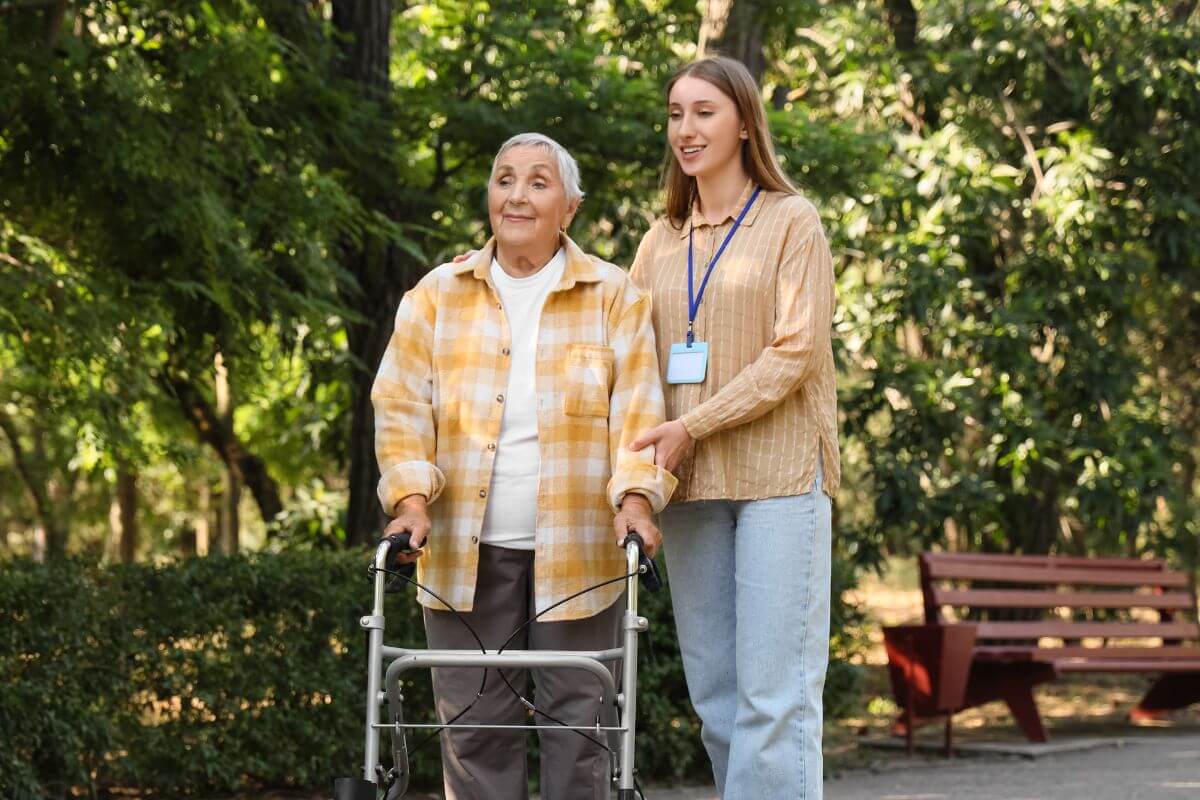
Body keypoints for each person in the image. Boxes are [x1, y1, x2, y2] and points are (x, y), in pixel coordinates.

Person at [371, 132, 677, 800]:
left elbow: (638, 412)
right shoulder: (435, 295)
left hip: (580, 553)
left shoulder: (614, 296)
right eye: (504, 179)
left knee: (582, 730)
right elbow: (399, 405)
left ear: (568, 207)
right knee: (475, 731)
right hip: (460, 552)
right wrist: (411, 501)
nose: (517, 195)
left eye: (538, 182)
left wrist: (636, 500)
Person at [627, 56, 840, 800]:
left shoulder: (792, 221)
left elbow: (795, 354)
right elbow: (615, 338)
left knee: (772, 702)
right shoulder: (659, 239)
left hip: (779, 480)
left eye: (705, 112)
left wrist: (694, 424)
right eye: (676, 112)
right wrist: (502, 265)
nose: (686, 128)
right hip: (690, 488)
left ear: (744, 123)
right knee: (717, 700)